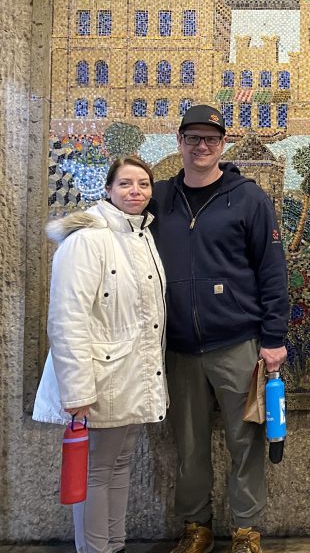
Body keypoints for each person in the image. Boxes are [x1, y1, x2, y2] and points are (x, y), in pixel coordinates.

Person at [150, 104, 289, 553]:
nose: (201, 146)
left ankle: (246, 530)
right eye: (193, 139)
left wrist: (273, 339)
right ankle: (197, 527)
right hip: (179, 347)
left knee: (244, 440)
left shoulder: (248, 198)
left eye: (210, 139)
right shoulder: (160, 199)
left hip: (236, 342)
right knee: (188, 445)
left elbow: (271, 270)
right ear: (181, 143)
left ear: (222, 144)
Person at [33, 157, 167, 553]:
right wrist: (77, 392)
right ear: (108, 189)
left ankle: (115, 543)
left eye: (143, 184)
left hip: (130, 376)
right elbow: (66, 318)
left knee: (119, 465)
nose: (136, 191)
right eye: (126, 184)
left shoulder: (140, 236)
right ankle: (96, 548)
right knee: (96, 471)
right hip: (98, 380)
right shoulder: (88, 239)